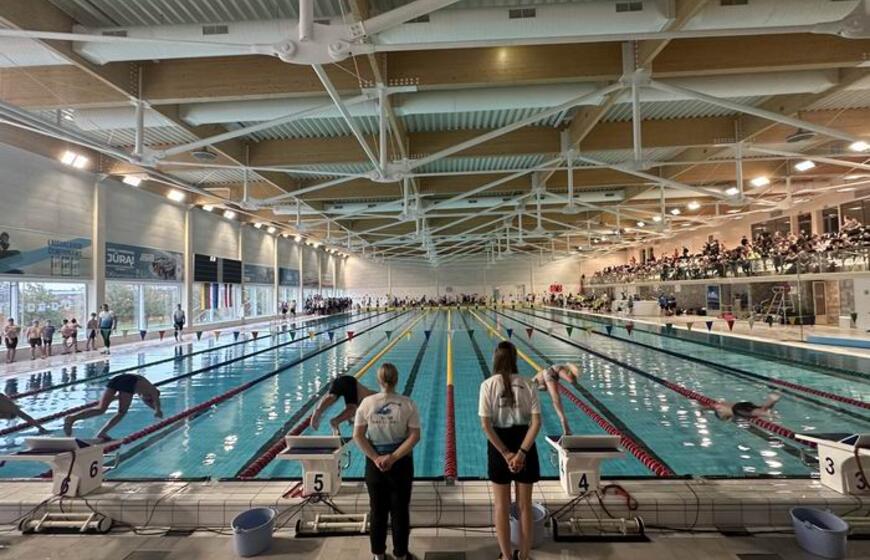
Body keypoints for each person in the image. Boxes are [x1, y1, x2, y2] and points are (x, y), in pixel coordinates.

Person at [479, 341, 541, 560]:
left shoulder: (487, 385)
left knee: (501, 507)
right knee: (525, 506)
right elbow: (536, 423)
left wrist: (506, 454)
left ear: (495, 359)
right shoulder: (529, 384)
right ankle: (524, 556)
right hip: (525, 442)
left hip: (499, 445)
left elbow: (486, 426)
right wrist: (522, 453)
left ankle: (506, 557)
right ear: (515, 359)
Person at [352, 363, 421, 560]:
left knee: (377, 511)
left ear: (379, 380)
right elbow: (414, 436)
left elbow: (358, 436)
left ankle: (378, 555)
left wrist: (376, 458)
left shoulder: (367, 403)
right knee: (400, 512)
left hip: (375, 466)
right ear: (396, 380)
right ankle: (401, 555)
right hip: (400, 464)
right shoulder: (408, 403)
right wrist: (394, 457)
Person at [63, 374, 163, 441]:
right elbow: (156, 401)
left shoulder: (142, 391)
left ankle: (72, 418)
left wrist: (113, 398)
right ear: (150, 397)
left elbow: (122, 396)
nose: (147, 400)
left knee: (100, 409)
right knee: (121, 413)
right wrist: (158, 410)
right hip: (129, 381)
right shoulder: (153, 390)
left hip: (117, 379)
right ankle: (102, 433)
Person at [310, 375, 376, 434]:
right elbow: (353, 412)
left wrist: (350, 420)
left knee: (332, 396)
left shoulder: (364, 395)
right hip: (350, 383)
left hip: (341, 380)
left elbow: (348, 411)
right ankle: (335, 421)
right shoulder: (370, 399)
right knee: (353, 409)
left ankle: (318, 411)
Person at [531, 363, 582, 435]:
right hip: (550, 372)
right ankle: (566, 428)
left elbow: (543, 387)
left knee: (557, 402)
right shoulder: (533, 384)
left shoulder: (532, 383)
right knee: (557, 402)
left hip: (549, 373)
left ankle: (566, 428)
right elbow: (543, 387)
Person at [712, 393, 781, 421]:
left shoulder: (735, 411)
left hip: (738, 409)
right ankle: (772, 400)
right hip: (741, 405)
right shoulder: (729, 409)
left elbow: (753, 413)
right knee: (761, 409)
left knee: (758, 412)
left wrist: (767, 415)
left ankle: (771, 400)